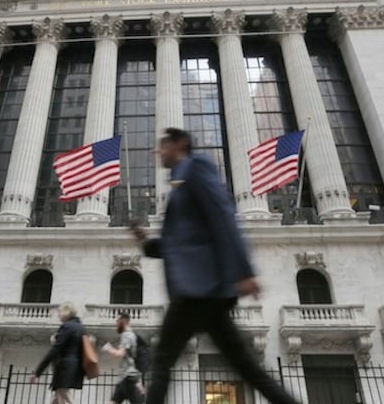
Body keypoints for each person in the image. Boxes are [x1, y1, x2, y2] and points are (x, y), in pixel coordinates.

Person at [130, 128, 301, 404]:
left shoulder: (197, 168)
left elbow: (222, 215)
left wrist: (244, 271)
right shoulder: (180, 181)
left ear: (180, 144)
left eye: (163, 146)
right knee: (246, 368)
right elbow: (182, 242)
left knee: (161, 362)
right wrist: (147, 243)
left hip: (199, 289)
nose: (158, 152)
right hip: (199, 293)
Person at [30, 302, 86, 404]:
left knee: (64, 395)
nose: (58, 315)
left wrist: (38, 372)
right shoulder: (81, 328)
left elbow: (55, 350)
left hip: (64, 368)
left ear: (66, 312)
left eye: (60, 312)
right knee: (57, 399)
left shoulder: (67, 327)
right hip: (75, 366)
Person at [101, 312, 144, 404]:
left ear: (123, 321)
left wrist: (108, 348)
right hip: (125, 377)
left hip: (128, 378)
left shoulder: (127, 335)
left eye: (117, 320)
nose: (116, 323)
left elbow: (120, 354)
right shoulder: (129, 335)